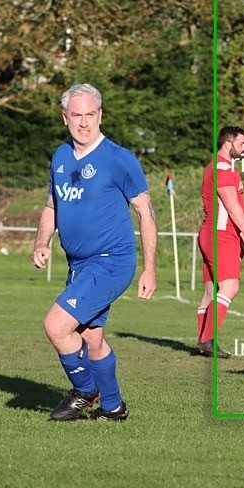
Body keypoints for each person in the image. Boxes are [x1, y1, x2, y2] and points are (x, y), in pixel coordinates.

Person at [31, 83, 157, 421]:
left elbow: (146, 212)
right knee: (92, 338)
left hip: (111, 262)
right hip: (79, 264)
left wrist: (150, 269)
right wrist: (41, 242)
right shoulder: (60, 156)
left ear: (100, 115)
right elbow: (51, 205)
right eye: (76, 115)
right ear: (64, 118)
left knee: (56, 326)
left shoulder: (119, 159)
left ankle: (85, 390)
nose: (84, 123)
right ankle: (114, 407)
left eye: (90, 114)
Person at [196, 126, 244, 358]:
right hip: (219, 234)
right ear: (228, 143)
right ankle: (206, 340)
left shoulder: (220, 166)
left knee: (211, 291)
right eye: (241, 143)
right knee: (230, 287)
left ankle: (203, 341)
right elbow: (231, 205)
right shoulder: (222, 167)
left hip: (214, 233)